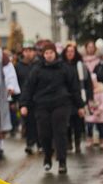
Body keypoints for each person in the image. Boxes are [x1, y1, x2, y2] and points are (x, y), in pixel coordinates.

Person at [20, 44, 85, 175]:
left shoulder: (64, 68)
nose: (49, 55)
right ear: (43, 55)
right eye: (46, 53)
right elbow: (29, 88)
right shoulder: (37, 69)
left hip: (61, 104)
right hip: (41, 105)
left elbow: (74, 88)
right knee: (44, 133)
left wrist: (80, 106)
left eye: (51, 52)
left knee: (60, 131)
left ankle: (62, 161)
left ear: (55, 53)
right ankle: (47, 157)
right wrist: (24, 104)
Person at [62, 42, 92, 154]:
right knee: (67, 122)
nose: (70, 54)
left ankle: (78, 143)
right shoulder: (61, 66)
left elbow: (88, 83)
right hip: (66, 98)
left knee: (78, 122)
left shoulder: (81, 66)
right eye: (68, 51)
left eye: (72, 51)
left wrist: (89, 97)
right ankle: (69, 142)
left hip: (79, 97)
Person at [14, 43, 40, 155]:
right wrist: (15, 99)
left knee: (40, 121)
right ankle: (30, 143)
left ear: (34, 52)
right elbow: (14, 83)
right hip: (24, 98)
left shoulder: (39, 64)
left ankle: (40, 143)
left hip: (39, 97)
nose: (28, 53)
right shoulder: (18, 66)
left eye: (30, 50)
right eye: (26, 50)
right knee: (28, 122)